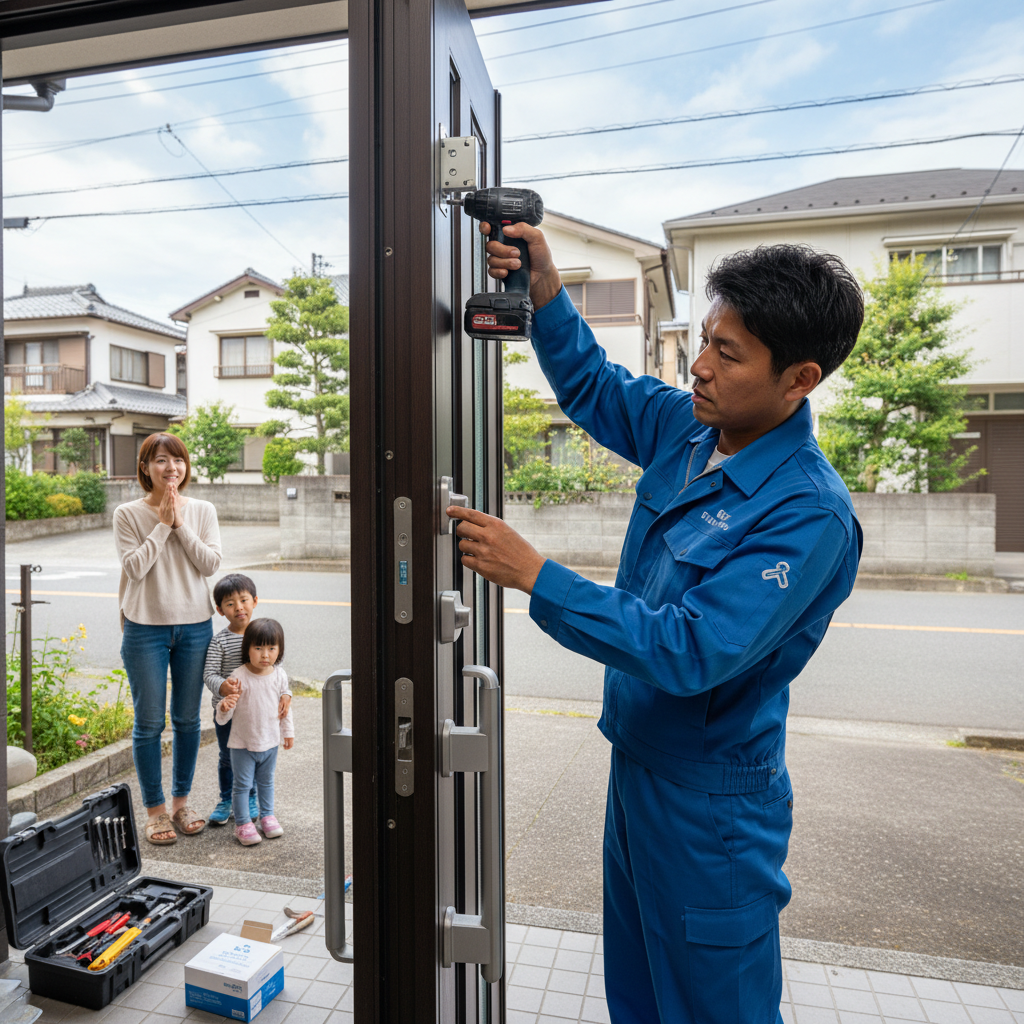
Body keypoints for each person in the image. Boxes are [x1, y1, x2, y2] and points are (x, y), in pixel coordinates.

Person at [447, 228, 864, 1024]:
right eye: (706, 341)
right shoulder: (691, 430)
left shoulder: (807, 513)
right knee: (637, 993)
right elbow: (597, 389)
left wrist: (537, 575)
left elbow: (691, 648)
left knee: (716, 1009)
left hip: (714, 811)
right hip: (638, 767)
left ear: (798, 379)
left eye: (730, 354)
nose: (701, 367)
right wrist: (544, 293)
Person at [114, 432, 222, 846]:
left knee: (188, 720)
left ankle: (181, 804)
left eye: (177, 460)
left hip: (195, 625)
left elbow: (211, 564)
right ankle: (156, 811)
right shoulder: (127, 514)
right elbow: (135, 569)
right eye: (160, 460)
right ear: (145, 468)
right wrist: (162, 526)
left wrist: (180, 525)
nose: (170, 468)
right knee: (148, 723)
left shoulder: (203, 509)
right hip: (144, 627)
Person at [203, 573, 292, 825]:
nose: (238, 607)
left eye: (243, 600)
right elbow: (209, 673)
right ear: (220, 610)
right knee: (227, 757)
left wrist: (286, 694)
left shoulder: (264, 634)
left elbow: (280, 671)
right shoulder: (220, 640)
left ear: (255, 601)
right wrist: (223, 686)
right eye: (230, 604)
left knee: (257, 751)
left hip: (259, 712)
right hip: (228, 711)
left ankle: (250, 796)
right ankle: (225, 799)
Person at [215, 617, 294, 846]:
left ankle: (267, 816)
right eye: (258, 648)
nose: (265, 654)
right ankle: (242, 824)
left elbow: (285, 709)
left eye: (271, 648)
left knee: (267, 782)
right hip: (242, 744)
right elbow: (223, 718)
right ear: (247, 648)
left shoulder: (279, 675)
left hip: (270, 742)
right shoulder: (238, 677)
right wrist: (224, 706)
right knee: (242, 785)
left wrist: (287, 733)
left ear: (279, 650)